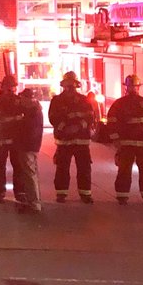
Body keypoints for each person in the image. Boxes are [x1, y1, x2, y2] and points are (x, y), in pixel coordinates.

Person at [106, 74, 143, 205]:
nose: (132, 88)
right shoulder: (120, 104)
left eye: (134, 86)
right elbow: (111, 122)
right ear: (127, 87)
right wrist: (116, 140)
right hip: (128, 144)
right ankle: (122, 196)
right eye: (130, 86)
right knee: (125, 171)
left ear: (137, 87)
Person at [48, 72, 95, 203]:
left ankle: (85, 194)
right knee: (62, 168)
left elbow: (90, 117)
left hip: (82, 140)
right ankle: (61, 194)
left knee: (84, 168)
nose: (70, 88)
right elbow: (53, 118)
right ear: (63, 86)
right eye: (68, 86)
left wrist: (79, 127)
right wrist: (65, 128)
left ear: (76, 85)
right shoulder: (56, 100)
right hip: (64, 140)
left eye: (72, 86)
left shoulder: (84, 100)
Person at [0, 75, 24, 202]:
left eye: (12, 87)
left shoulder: (20, 102)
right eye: (8, 87)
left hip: (16, 140)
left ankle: (20, 192)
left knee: (19, 167)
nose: (11, 90)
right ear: (3, 87)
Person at [12, 88, 43, 213]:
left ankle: (34, 204)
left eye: (23, 99)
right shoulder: (34, 110)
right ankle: (34, 201)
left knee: (30, 175)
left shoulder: (32, 112)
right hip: (30, 146)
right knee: (31, 174)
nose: (21, 101)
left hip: (27, 147)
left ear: (27, 99)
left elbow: (28, 130)